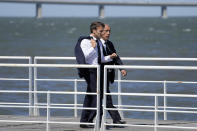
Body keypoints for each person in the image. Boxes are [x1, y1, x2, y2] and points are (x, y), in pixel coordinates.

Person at [74, 21, 117, 128]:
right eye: (100, 31)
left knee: (90, 96)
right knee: (96, 95)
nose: (102, 33)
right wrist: (92, 47)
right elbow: (85, 57)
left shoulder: (99, 42)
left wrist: (110, 57)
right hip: (90, 71)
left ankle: (85, 121)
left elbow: (101, 59)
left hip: (98, 70)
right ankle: (89, 120)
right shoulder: (85, 41)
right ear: (94, 30)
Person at [100, 24, 127, 125]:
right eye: (106, 31)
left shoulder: (109, 43)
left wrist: (121, 68)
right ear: (100, 32)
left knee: (97, 98)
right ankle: (116, 119)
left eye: (109, 31)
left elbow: (115, 57)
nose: (108, 33)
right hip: (99, 75)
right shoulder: (97, 44)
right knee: (105, 97)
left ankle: (86, 119)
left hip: (108, 75)